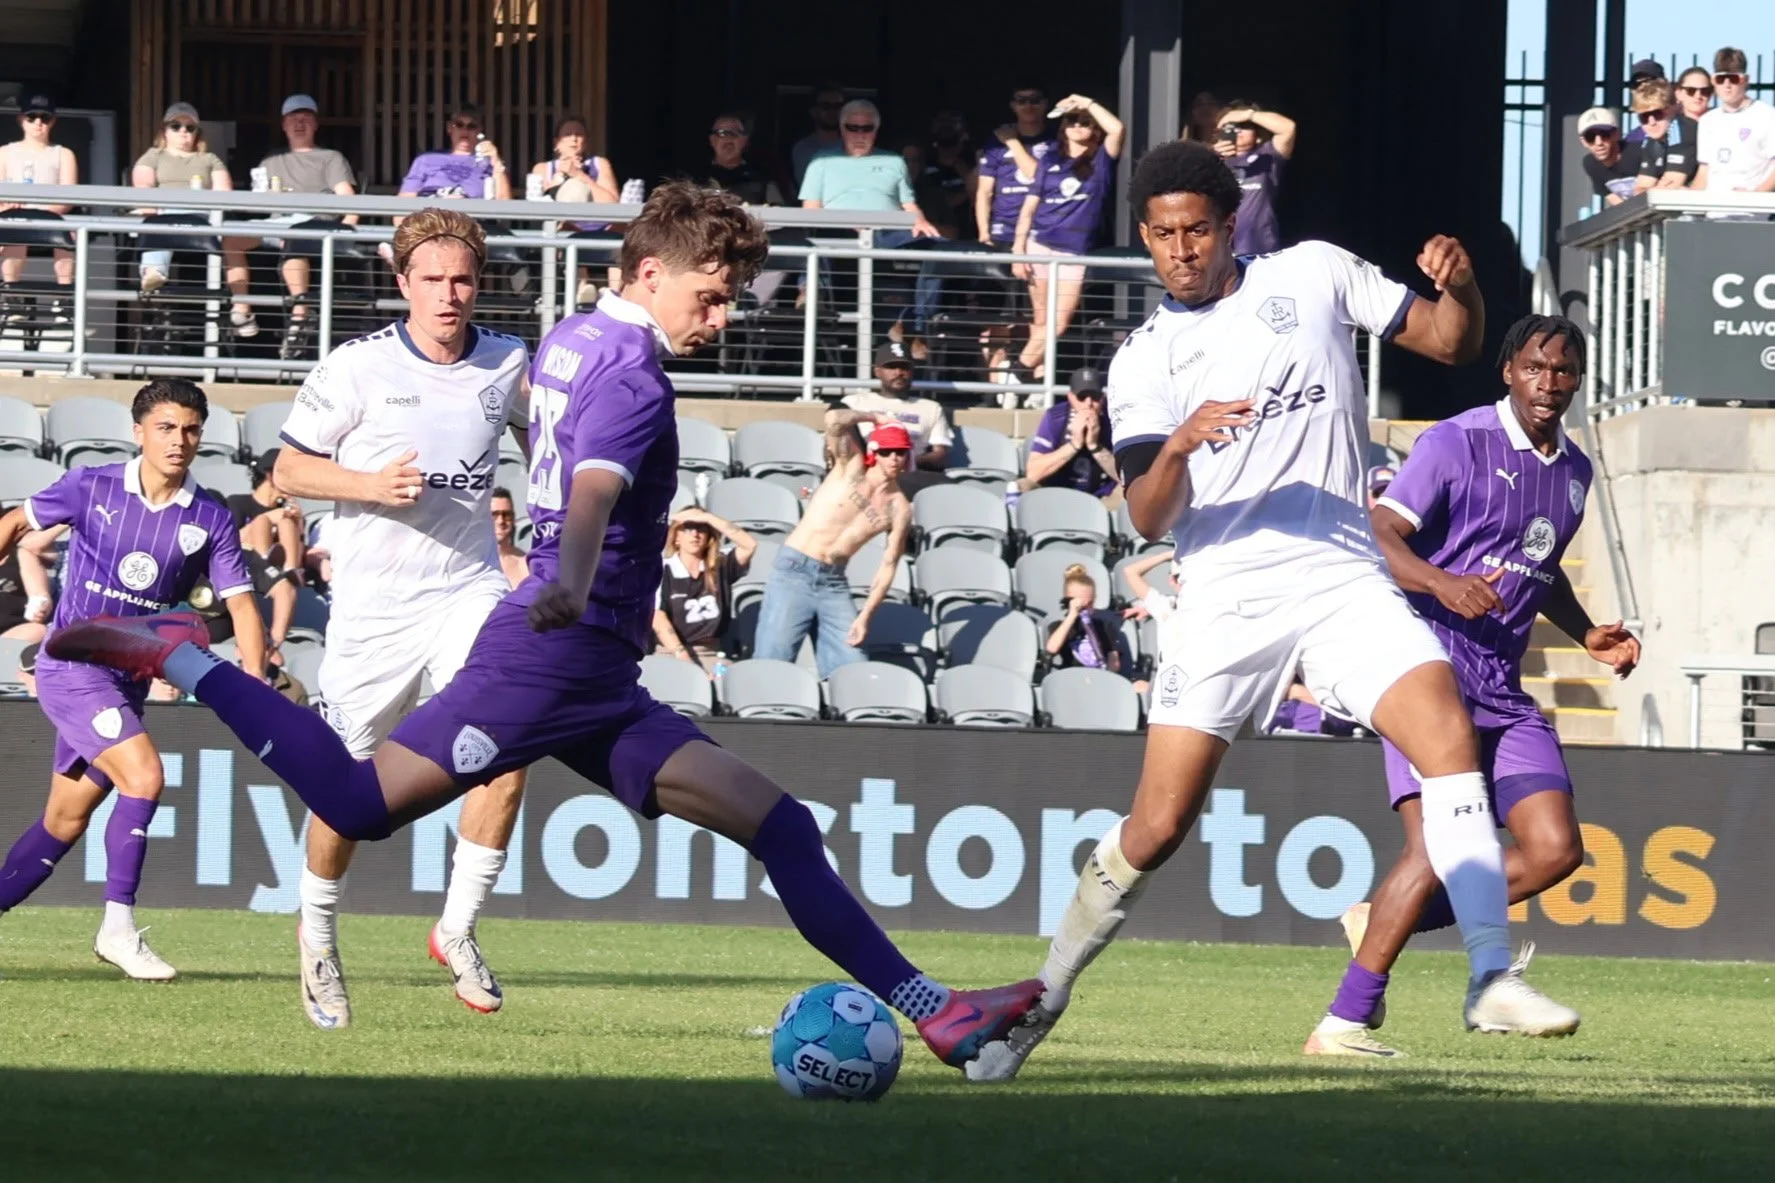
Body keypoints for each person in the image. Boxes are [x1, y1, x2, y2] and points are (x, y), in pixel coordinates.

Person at [48, 181, 1042, 1073]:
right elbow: (598, 487)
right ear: (650, 273)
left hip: (598, 675)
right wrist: (566, 573)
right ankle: (179, 652)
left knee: (779, 824)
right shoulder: (634, 375)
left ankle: (937, 1010)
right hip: (550, 651)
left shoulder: (569, 338)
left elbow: (566, 462)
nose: (723, 313)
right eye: (711, 292)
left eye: (731, 294)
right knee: (355, 804)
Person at [966, 140, 1576, 1084]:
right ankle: (1043, 994)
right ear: (1143, 236)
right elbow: (1145, 512)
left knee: (1446, 732)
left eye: (1197, 231)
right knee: (1157, 826)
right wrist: (1177, 444)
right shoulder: (1144, 358)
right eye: (1163, 235)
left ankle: (1489, 975)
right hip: (1224, 598)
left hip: (1341, 574)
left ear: (1228, 225)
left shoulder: (1314, 273)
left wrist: (1461, 290)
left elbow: (1449, 342)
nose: (1181, 251)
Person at [1306, 315, 1641, 1057]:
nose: (1547, 383)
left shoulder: (1575, 471)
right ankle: (1343, 1021)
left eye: (1562, 371)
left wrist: (1583, 631)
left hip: (1502, 681)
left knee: (1554, 849)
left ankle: (1383, 919)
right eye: (1533, 367)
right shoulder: (1455, 442)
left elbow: (1539, 564)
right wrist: (1441, 584)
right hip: (1424, 667)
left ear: (1577, 380)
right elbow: (1375, 534)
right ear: (1506, 371)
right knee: (1432, 851)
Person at [263, 207, 532, 1029]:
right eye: (433, 280)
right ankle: (316, 935)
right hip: (376, 609)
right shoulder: (357, 367)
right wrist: (369, 485)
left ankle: (456, 927)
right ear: (401, 281)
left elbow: (555, 442)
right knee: (345, 789)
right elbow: (285, 468)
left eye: (462, 280)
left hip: (467, 590)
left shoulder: (507, 362)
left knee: (509, 741)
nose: (449, 295)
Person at [0, 379, 264, 980]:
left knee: (64, 821)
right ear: (139, 431)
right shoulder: (90, 486)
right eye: (167, 428)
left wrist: (254, 685)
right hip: (70, 665)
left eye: (192, 429)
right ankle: (117, 929)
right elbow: (16, 520)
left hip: (126, 683)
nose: (180, 440)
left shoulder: (211, 518)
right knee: (145, 776)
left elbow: (243, 606)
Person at [753, 416, 912, 678]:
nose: (894, 457)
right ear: (875, 451)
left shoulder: (899, 507)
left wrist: (865, 617)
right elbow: (833, 421)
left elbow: (888, 566)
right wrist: (873, 417)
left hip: (833, 582)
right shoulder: (851, 468)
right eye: (887, 451)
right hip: (795, 569)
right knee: (773, 660)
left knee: (853, 665)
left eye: (900, 452)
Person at [1011, 94, 1124, 381]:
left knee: (1058, 323)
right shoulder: (1049, 158)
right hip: (1038, 245)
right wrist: (1018, 248)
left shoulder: (1101, 159)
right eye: (1072, 120)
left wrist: (1088, 103)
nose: (1078, 125)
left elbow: (1117, 129)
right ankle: (1037, 383)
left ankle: (1016, 373)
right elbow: (1030, 206)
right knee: (1041, 322)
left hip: (1074, 251)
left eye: (1084, 122)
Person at [250, 95, 362, 356]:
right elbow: (257, 201)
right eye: (293, 118)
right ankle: (241, 310)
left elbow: (349, 200)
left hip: (314, 226)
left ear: (315, 124)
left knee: (295, 240)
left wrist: (346, 232)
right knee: (229, 237)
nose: (299, 124)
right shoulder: (271, 159)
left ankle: (300, 316)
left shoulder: (330, 157)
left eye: (306, 118)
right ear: (284, 124)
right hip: (275, 223)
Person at [130, 102, 254, 326]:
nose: (183, 132)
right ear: (164, 131)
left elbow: (224, 191)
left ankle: (239, 307)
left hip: (201, 216)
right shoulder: (153, 155)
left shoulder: (209, 159)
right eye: (175, 126)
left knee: (229, 237)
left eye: (190, 127)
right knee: (156, 219)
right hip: (166, 214)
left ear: (197, 132)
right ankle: (153, 272)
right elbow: (143, 185)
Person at [530, 115, 622, 307]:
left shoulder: (599, 164)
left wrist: (580, 175)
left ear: (586, 141)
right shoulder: (543, 168)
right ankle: (582, 286)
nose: (573, 139)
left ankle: (616, 294)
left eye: (579, 134)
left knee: (623, 231)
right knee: (563, 229)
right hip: (567, 228)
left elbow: (613, 203)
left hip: (601, 228)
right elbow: (537, 202)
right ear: (556, 143)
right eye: (567, 135)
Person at [652, 507, 756, 676]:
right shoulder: (663, 569)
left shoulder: (719, 565)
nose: (695, 534)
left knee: (733, 680)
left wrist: (708, 517)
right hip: (671, 653)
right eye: (687, 528)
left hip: (712, 654)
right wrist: (686, 661)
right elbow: (657, 618)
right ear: (676, 536)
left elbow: (749, 545)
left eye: (701, 528)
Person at [0, 94, 79, 302]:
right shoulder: (4, 153)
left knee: (70, 236)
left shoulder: (64, 154)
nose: (38, 123)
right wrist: (8, 207)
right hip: (13, 217)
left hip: (50, 217)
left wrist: (43, 213)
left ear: (52, 121)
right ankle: (12, 295)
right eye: (31, 117)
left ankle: (64, 297)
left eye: (44, 118)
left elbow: (67, 197)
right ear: (21, 119)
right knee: (11, 237)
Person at [839, 341, 954, 481]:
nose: (898, 373)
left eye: (904, 367)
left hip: (911, 476)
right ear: (877, 371)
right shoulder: (854, 402)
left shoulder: (931, 408)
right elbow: (834, 442)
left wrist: (906, 462)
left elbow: (940, 456)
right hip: (864, 474)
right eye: (891, 367)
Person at [1211, 100, 1297, 256]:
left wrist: (1247, 115)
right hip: (1222, 250)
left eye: (1245, 127)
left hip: (1261, 247)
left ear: (1257, 135)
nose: (1238, 131)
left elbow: (1288, 128)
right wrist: (1211, 157)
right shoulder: (1211, 160)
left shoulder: (1267, 156)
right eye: (1233, 127)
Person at [976, 87, 1051, 249]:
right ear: (1013, 106)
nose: (1028, 105)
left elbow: (1036, 176)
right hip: (1004, 228)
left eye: (1035, 100)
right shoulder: (995, 140)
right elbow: (984, 191)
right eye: (1021, 101)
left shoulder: (1057, 139)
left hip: (1043, 227)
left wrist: (1012, 142)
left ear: (1045, 104)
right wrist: (983, 232)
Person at [1024, 367, 1117, 498]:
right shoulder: (1056, 418)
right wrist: (1074, 445)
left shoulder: (1112, 420)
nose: (1088, 403)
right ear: (1071, 397)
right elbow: (1033, 473)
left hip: (1098, 496)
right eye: (1082, 397)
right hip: (1055, 492)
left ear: (1102, 398)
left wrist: (1095, 446)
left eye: (1095, 397)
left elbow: (1125, 476)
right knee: (1021, 486)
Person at [1693, 48, 1775, 196]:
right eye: (1720, 79)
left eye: (1734, 79)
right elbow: (1704, 172)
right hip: (1713, 211)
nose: (1727, 85)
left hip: (1752, 214)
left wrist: (1755, 195)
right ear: (1713, 81)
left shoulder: (1767, 116)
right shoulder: (1707, 121)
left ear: (1746, 80)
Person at [399, 103, 511, 203]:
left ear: (479, 130)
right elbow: (404, 202)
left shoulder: (488, 162)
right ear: (449, 128)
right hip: (432, 219)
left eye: (471, 126)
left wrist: (496, 161)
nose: (465, 130)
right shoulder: (426, 159)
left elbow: (504, 204)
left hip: (473, 221)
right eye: (459, 124)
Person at [1044, 563, 1123, 676]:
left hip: (1100, 676)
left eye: (1089, 604)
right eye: (1080, 605)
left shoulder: (1104, 625)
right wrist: (1072, 615)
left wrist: (1107, 675)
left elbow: (1113, 661)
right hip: (1071, 677)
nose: (1085, 609)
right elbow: (1052, 648)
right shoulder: (1059, 626)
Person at [702, 113, 783, 206]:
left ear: (745, 140)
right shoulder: (698, 177)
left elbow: (778, 211)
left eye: (735, 133)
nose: (729, 140)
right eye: (722, 133)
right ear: (712, 139)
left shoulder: (762, 179)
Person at [1632, 80, 1700, 191]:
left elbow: (1671, 186)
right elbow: (1640, 189)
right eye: (1644, 117)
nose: (1652, 122)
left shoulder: (1683, 129)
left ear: (1671, 110)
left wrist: (1654, 187)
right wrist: (1657, 187)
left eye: (1657, 114)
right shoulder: (1650, 140)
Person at [0, 521, 58, 643]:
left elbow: (39, 594)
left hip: (12, 632)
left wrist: (40, 608)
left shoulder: (20, 555)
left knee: (37, 631)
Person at [1577, 108, 1641, 207]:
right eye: (1590, 137)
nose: (1599, 143)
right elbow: (1613, 199)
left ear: (1615, 134)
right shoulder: (1591, 164)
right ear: (1583, 142)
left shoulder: (1638, 152)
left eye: (1604, 135)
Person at [791, 84, 846, 187]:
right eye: (826, 106)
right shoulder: (802, 148)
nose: (832, 111)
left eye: (837, 106)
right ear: (813, 111)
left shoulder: (856, 145)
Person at [490, 487, 528, 589]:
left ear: (513, 518)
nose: (500, 521)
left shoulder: (525, 563)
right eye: (494, 515)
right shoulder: (473, 562)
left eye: (506, 515)